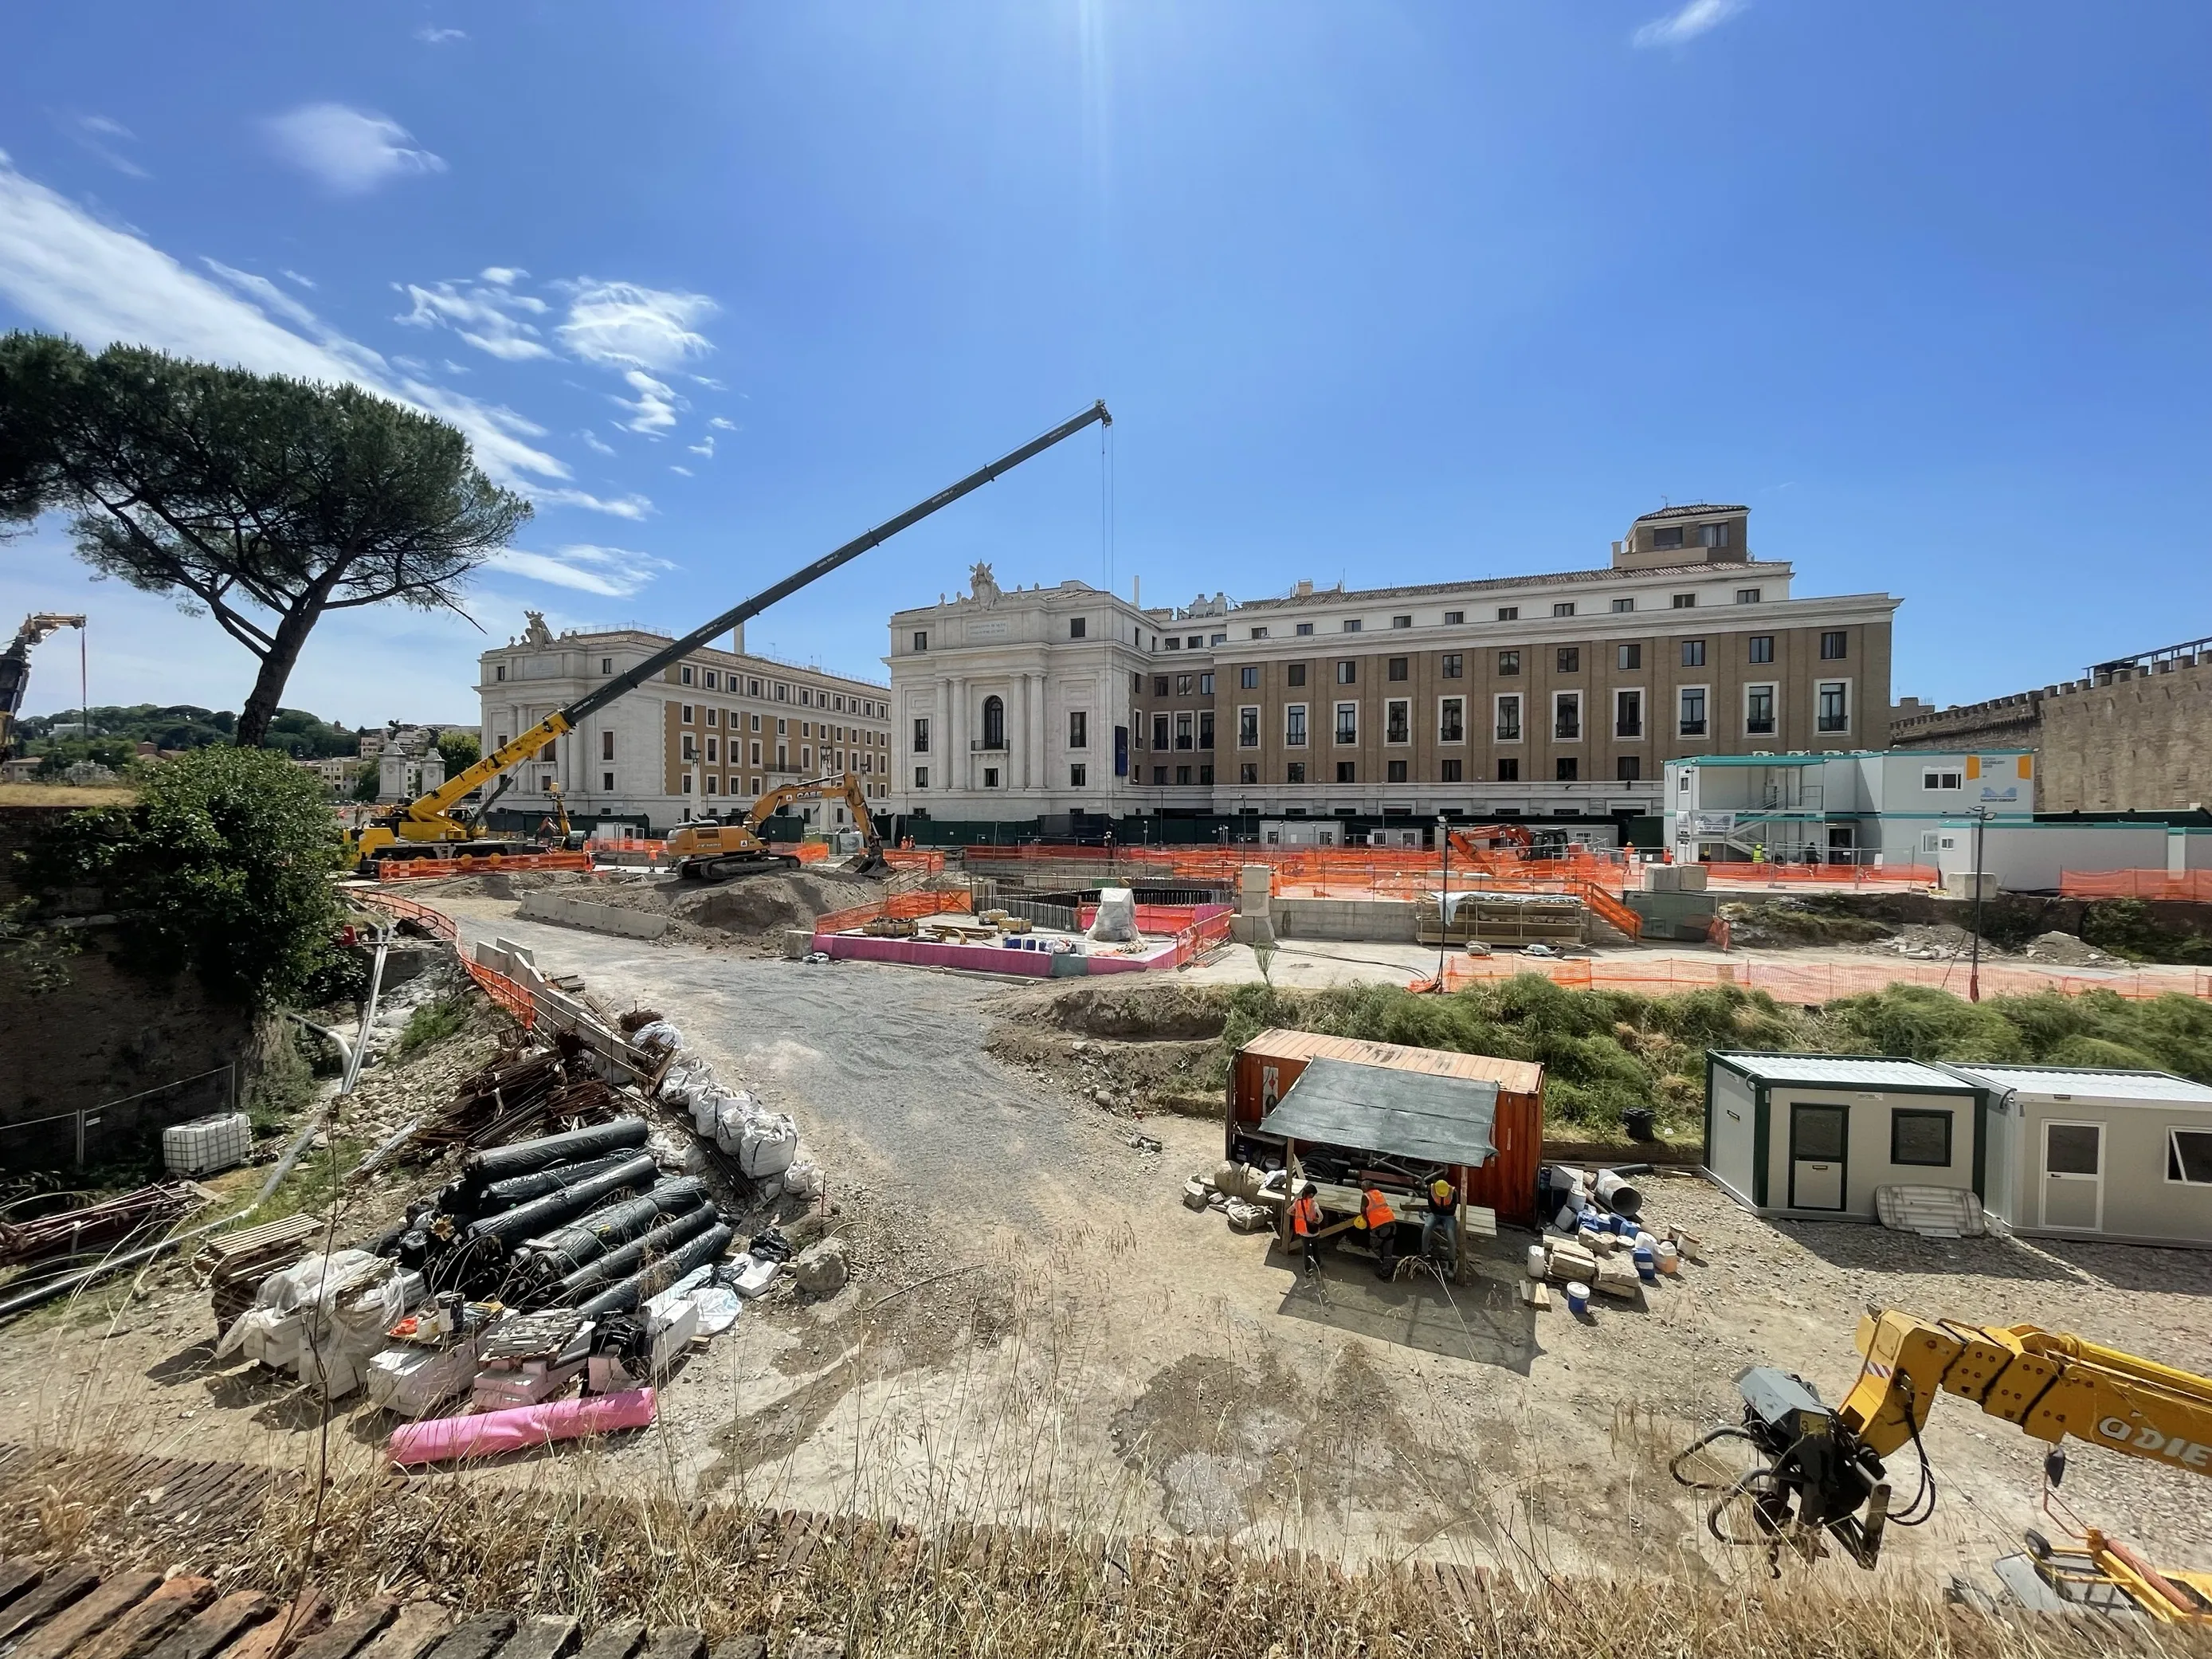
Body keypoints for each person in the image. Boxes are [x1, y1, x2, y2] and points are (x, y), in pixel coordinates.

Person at [1356, 1182, 1398, 1280]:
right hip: (1391, 1223)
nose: (1362, 1189)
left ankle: (1386, 1269)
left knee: (1375, 1246)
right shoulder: (1378, 1193)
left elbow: (1363, 1210)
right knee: (1388, 1249)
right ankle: (1388, 1265)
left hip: (1380, 1226)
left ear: (1366, 1188)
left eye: (1362, 1187)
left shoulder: (1365, 1196)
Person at [1288, 1180, 1324, 1280]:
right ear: (1311, 1194)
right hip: (1314, 1232)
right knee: (1316, 1248)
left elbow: (1288, 1211)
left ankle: (1307, 1270)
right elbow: (1321, 1216)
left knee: (1306, 1251)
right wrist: (1317, 1221)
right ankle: (1318, 1263)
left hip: (1303, 1231)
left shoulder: (1297, 1202)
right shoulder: (1314, 1204)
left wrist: (1297, 1215)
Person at [1422, 1175, 1460, 1269]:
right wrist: (1443, 1208)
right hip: (1435, 1214)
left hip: (1449, 1216)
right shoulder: (1432, 1190)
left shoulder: (1453, 1192)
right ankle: (1424, 1254)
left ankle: (1452, 1260)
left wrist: (1442, 1208)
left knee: (1451, 1235)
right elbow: (1432, 1207)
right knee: (1426, 1228)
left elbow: (1452, 1210)